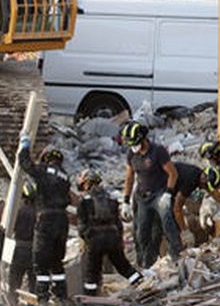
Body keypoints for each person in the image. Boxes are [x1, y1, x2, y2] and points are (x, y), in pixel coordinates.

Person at [120, 121, 183, 268]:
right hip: (142, 196)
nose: (133, 146)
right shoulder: (132, 154)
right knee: (141, 232)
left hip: (159, 193)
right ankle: (144, 264)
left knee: (167, 222)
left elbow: (173, 174)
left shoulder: (158, 152)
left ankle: (177, 254)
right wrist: (125, 201)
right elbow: (129, 177)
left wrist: (168, 194)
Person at [18, 140, 75, 301]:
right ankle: (62, 296)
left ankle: (42, 300)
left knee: (40, 260)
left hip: (47, 219)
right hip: (62, 221)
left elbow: (26, 164)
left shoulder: (43, 170)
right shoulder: (65, 176)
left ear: (45, 158)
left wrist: (25, 147)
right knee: (57, 261)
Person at [76, 170, 143, 296]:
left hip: (95, 240)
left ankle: (89, 301)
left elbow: (81, 226)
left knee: (92, 273)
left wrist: (86, 239)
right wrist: (120, 240)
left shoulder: (84, 201)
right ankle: (142, 284)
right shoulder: (112, 198)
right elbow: (118, 223)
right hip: (113, 238)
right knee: (123, 266)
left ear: (86, 184)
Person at [7, 182, 37, 305]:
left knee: (15, 279)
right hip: (33, 249)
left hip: (18, 248)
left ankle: (12, 304)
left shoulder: (16, 210)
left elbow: (9, 228)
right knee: (33, 280)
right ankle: (33, 304)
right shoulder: (39, 212)